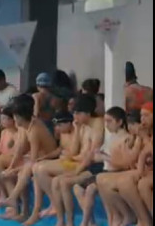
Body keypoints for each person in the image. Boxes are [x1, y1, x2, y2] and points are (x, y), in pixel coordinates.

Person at [73, 106, 137, 226]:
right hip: (105, 171)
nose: (106, 125)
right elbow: (99, 157)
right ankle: (90, 222)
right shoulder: (111, 137)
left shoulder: (126, 139)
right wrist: (98, 155)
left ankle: (86, 222)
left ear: (120, 122)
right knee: (77, 188)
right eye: (105, 121)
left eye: (109, 121)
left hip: (116, 172)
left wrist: (104, 157)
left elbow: (125, 162)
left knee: (92, 189)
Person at [1, 94, 58, 222]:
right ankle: (22, 209)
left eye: (15, 116)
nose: (13, 119)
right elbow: (20, 150)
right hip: (39, 160)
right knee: (18, 170)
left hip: (48, 160)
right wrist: (11, 167)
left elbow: (33, 160)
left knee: (25, 172)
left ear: (20, 116)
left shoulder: (34, 130)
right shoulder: (25, 126)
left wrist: (14, 170)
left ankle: (19, 203)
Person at [53, 94, 105, 226]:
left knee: (65, 182)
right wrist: (76, 128)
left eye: (77, 113)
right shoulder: (84, 125)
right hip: (88, 165)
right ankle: (67, 221)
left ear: (87, 113)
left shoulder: (98, 125)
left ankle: (70, 222)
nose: (74, 118)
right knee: (58, 180)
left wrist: (77, 170)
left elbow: (91, 155)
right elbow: (76, 151)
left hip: (97, 167)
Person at [22, 110, 82, 226]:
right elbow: (60, 149)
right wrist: (45, 157)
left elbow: (74, 152)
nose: (57, 128)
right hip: (64, 161)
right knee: (36, 168)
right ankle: (52, 205)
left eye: (60, 125)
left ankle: (55, 203)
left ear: (70, 123)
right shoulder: (63, 133)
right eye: (56, 126)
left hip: (74, 165)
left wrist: (66, 154)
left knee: (40, 169)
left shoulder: (76, 132)